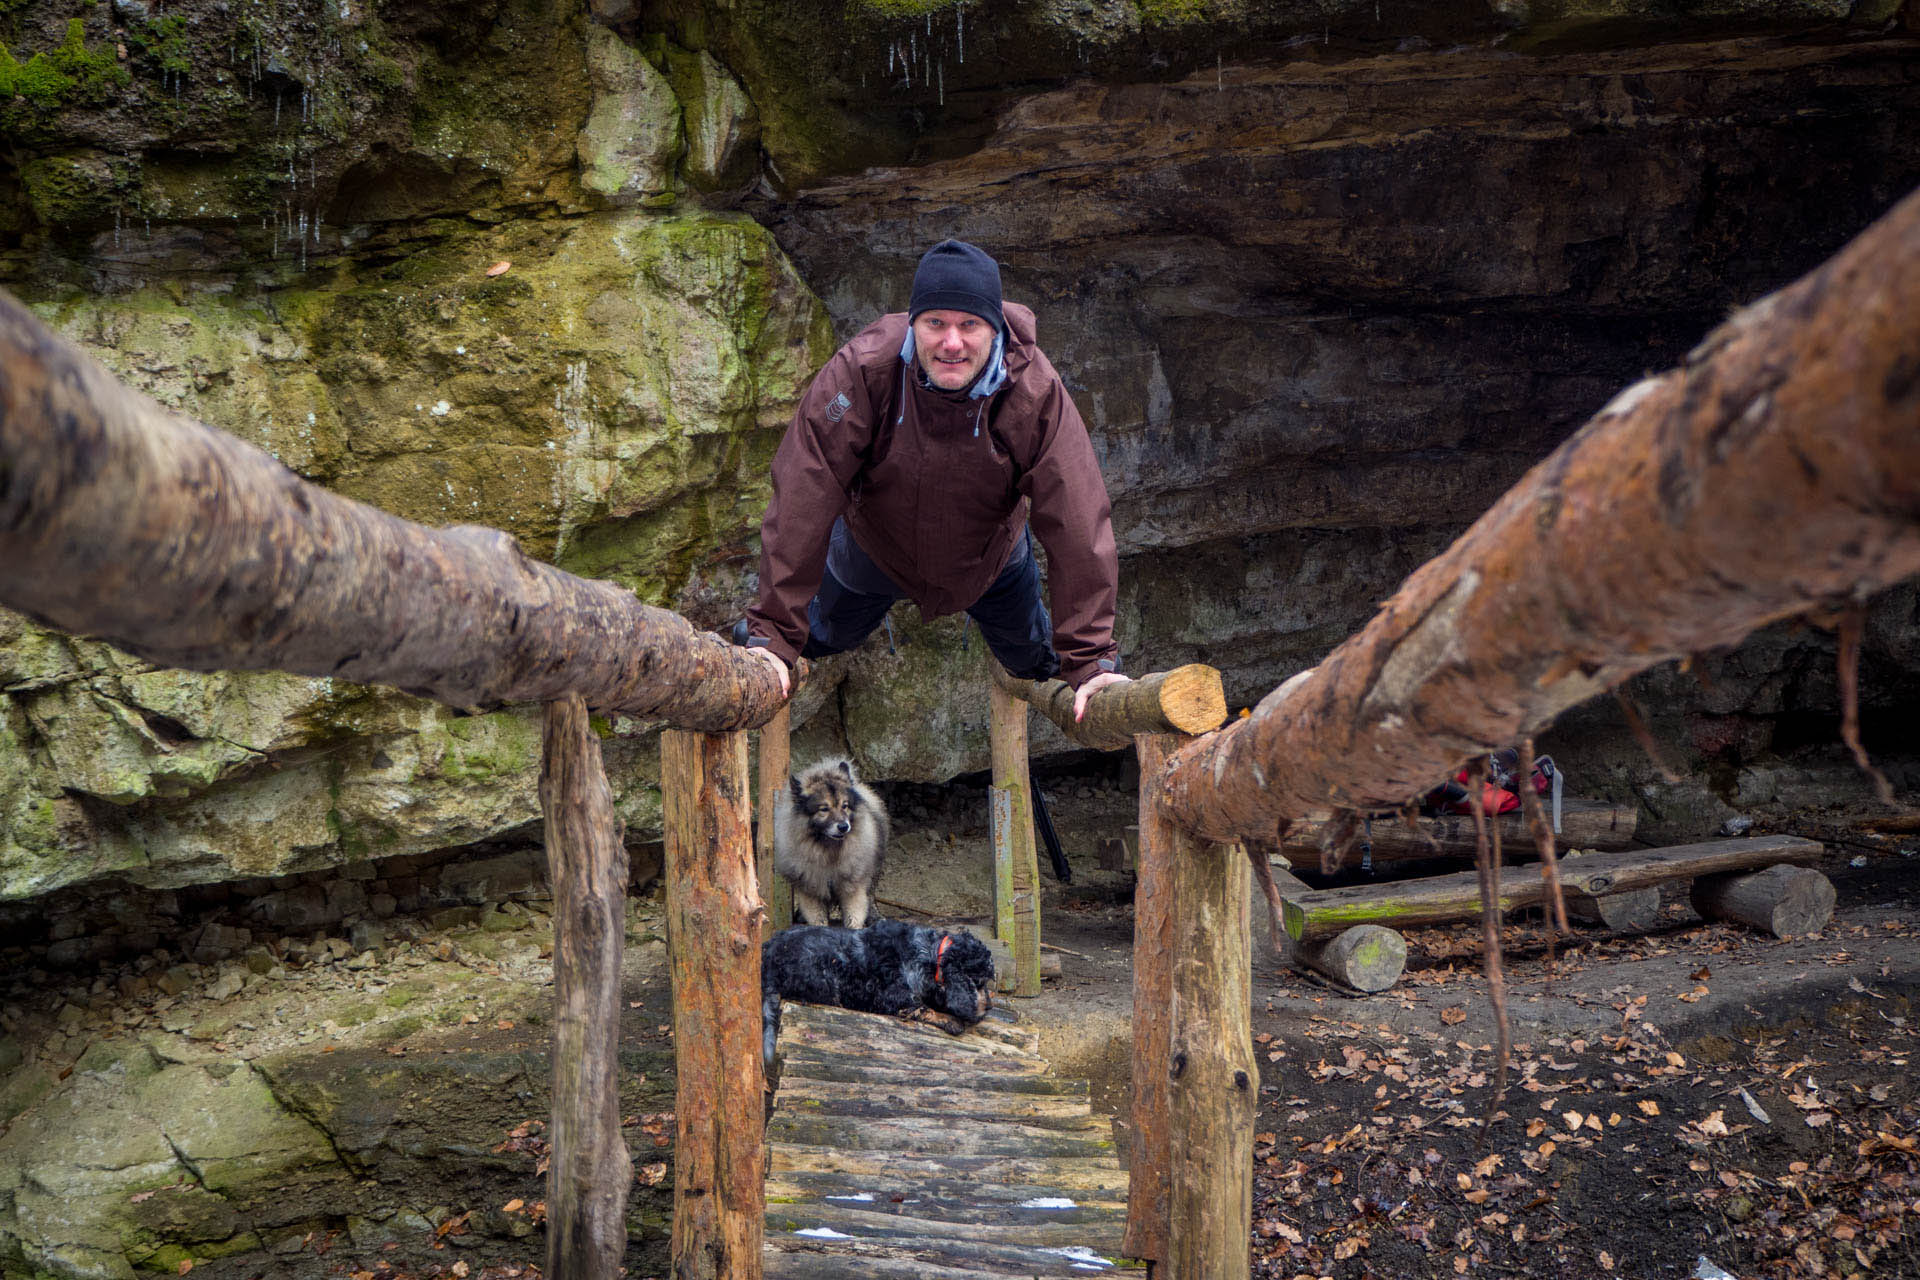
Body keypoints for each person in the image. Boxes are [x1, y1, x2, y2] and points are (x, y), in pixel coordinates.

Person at [739, 238, 1127, 722]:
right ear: (913, 323)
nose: (951, 342)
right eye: (935, 323)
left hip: (990, 561)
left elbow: (1078, 519)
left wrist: (1091, 663)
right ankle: (749, 642)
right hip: (874, 551)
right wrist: (774, 636)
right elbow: (804, 490)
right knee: (821, 637)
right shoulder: (864, 371)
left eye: (969, 324)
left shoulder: (1033, 390)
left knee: (1033, 661)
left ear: (994, 327)